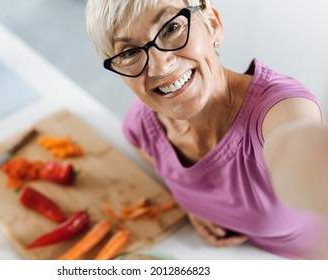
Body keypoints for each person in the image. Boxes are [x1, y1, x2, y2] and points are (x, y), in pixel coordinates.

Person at [85, 0, 328, 259]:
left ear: (212, 23)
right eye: (129, 53)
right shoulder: (143, 123)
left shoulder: (280, 111)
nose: (160, 66)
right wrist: (195, 205)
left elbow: (298, 146)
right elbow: (143, 148)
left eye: (171, 28)